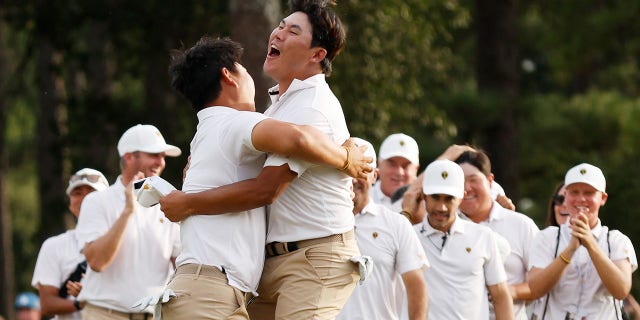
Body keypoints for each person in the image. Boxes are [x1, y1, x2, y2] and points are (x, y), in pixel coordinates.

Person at [161, 1, 365, 319]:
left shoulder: (309, 105)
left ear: (317, 55)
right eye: (281, 25)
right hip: (274, 264)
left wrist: (346, 161)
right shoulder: (273, 110)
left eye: (293, 30)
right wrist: (345, 158)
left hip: (314, 255)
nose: (279, 33)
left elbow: (266, 188)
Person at [74, 124, 182, 319]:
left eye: (163, 156)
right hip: (105, 314)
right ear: (129, 157)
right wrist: (128, 211)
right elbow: (97, 262)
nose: (161, 162)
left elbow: (182, 264)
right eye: (154, 155)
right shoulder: (97, 201)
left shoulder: (168, 205)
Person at [528, 163, 638, 319]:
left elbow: (621, 290)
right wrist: (570, 249)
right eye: (574, 192)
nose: (581, 199)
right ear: (565, 196)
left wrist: (591, 244)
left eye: (589, 193)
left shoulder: (616, 240)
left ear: (603, 198)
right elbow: (535, 289)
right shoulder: (547, 237)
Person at [408, 159, 514, 319]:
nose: (441, 207)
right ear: (423, 196)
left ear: (462, 197)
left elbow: (500, 296)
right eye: (435, 197)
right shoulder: (407, 236)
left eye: (449, 198)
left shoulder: (483, 236)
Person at [337, 138, 428, 320]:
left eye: (363, 170)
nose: (354, 179)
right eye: (348, 170)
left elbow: (416, 286)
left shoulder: (396, 223)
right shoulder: (322, 220)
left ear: (374, 176)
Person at [451, 149, 539, 319]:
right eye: (460, 182)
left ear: (490, 181)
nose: (466, 188)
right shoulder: (445, 226)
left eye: (473, 180)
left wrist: (507, 291)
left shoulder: (521, 225)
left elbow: (540, 283)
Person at [31, 168, 109, 320]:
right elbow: (47, 305)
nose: (85, 199)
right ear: (70, 204)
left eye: (92, 192)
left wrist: (94, 295)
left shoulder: (124, 242)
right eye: (77, 193)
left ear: (107, 201)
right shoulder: (54, 246)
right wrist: (81, 302)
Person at [371, 133, 420, 212]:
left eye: (405, 166)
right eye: (392, 164)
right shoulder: (360, 198)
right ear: (379, 164)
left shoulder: (426, 204)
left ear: (416, 169)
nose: (399, 172)